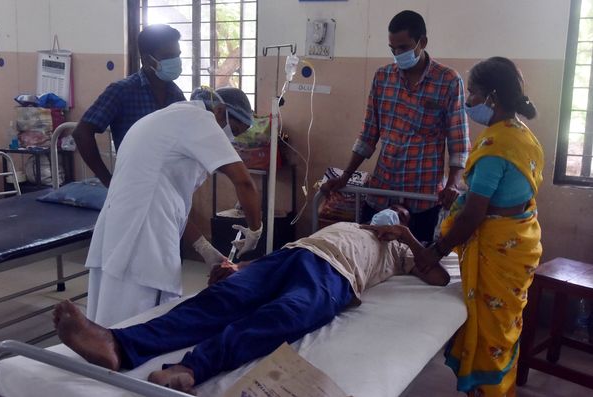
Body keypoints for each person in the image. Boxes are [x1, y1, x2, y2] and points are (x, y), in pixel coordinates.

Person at [53, 221, 450, 393]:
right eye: (386, 214)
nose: (387, 217)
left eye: (397, 215)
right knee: (222, 298)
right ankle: (118, 344)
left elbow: (439, 278)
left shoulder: (400, 250)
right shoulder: (346, 227)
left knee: (283, 317)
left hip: (336, 278)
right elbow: (283, 253)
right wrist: (240, 268)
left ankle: (191, 368)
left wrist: (407, 237)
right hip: (291, 256)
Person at [412, 57, 544, 397]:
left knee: (489, 329)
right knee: (504, 326)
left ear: (492, 98)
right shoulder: (522, 135)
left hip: (499, 247)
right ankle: (500, 386)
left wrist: (435, 251)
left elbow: (473, 216)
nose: (467, 101)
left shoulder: (494, 148)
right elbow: (500, 193)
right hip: (522, 238)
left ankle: (486, 391)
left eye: (472, 93)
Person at [85, 86, 263, 327]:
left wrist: (206, 250)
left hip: (120, 227)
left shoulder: (165, 118)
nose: (232, 139)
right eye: (235, 130)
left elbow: (172, 203)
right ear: (221, 112)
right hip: (144, 237)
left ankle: (99, 356)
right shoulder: (200, 120)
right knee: (140, 322)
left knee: (108, 318)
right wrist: (255, 229)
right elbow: (244, 182)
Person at [321, 10, 469, 243]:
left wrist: (452, 184)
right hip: (382, 191)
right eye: (393, 49)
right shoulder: (383, 78)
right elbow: (368, 135)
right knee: (368, 254)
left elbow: (459, 144)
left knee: (412, 262)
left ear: (422, 42)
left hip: (422, 196)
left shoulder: (448, 81)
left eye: (404, 48)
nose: (398, 54)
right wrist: (346, 175)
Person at [72, 24, 186, 188]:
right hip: (133, 184)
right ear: (147, 60)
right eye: (168, 56)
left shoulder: (175, 94)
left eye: (177, 55)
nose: (175, 62)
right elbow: (82, 133)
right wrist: (107, 180)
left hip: (169, 185)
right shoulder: (122, 91)